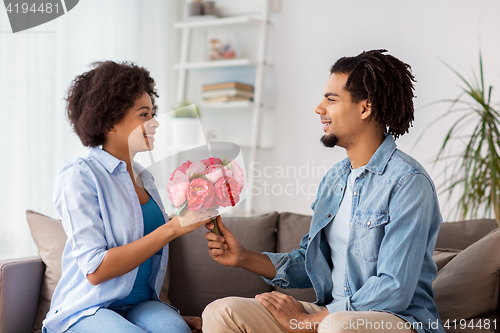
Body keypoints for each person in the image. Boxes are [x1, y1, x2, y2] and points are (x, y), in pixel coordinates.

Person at [202, 49, 446, 333]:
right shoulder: (335, 179)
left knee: (336, 327)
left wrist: (312, 320)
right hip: (332, 316)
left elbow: (394, 288)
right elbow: (310, 262)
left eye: (331, 99)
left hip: (398, 320)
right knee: (222, 312)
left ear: (365, 107)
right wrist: (243, 257)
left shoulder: (408, 182)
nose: (319, 108)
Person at [42, 61, 218, 333]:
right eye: (144, 114)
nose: (155, 122)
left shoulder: (144, 178)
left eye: (153, 113)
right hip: (89, 307)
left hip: (141, 304)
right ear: (111, 121)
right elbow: (96, 270)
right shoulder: (79, 177)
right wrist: (173, 227)